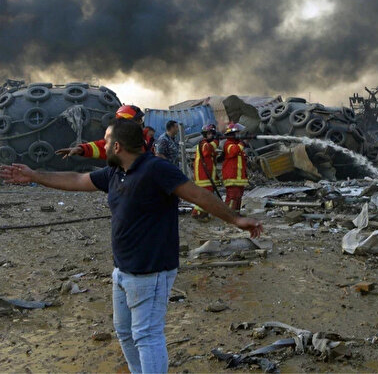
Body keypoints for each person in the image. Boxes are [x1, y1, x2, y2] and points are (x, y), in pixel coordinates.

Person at [0, 119, 262, 373]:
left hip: (151, 271)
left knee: (147, 335)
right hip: (122, 271)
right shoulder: (116, 172)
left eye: (106, 140)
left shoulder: (156, 169)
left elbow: (199, 195)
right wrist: (35, 175)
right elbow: (77, 180)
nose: (102, 147)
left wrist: (236, 219)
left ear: (117, 147)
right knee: (125, 333)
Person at [56, 105, 153, 159]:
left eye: (141, 120)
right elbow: (101, 146)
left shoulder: (146, 138)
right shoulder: (120, 143)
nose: (141, 123)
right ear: (127, 122)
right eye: (138, 120)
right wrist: (81, 149)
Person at [192, 123, 219, 220]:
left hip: (207, 176)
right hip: (203, 176)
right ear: (204, 134)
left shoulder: (205, 144)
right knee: (205, 196)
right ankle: (200, 215)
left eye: (212, 133)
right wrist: (216, 142)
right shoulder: (203, 144)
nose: (211, 135)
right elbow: (208, 150)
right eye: (209, 133)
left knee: (205, 195)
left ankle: (197, 213)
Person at [221, 123, 249, 212]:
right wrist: (243, 143)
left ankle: (236, 214)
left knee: (238, 197)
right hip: (232, 178)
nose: (239, 135)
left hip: (239, 178)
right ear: (232, 134)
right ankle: (229, 216)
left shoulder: (237, 145)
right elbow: (234, 151)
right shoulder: (228, 144)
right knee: (233, 197)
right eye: (237, 133)